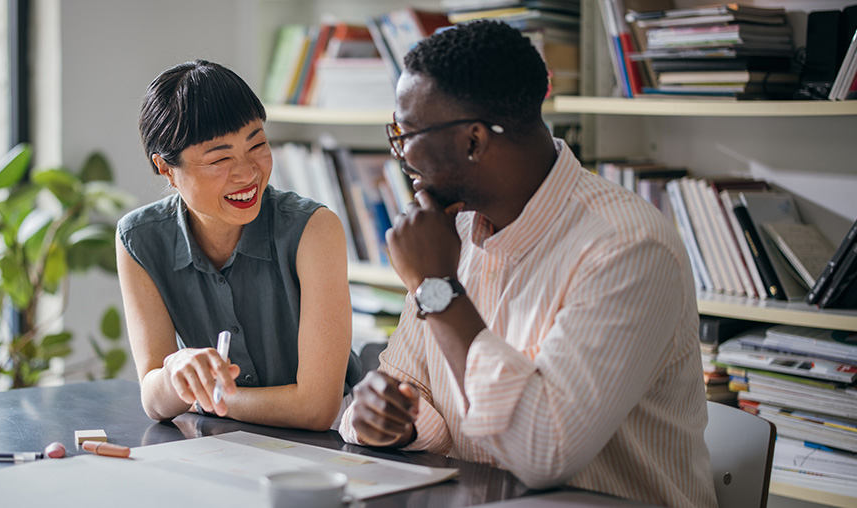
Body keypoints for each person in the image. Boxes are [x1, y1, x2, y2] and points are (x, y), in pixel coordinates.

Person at [340, 21, 718, 508]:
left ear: (473, 142)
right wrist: (389, 420)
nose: (402, 156)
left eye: (407, 134)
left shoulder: (627, 248)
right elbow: (411, 391)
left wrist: (437, 287)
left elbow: (543, 451)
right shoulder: (452, 232)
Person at [117, 60, 359, 431]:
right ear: (166, 169)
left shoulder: (314, 229)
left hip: (333, 443)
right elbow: (154, 398)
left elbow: (316, 408)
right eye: (220, 159)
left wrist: (202, 398)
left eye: (257, 145)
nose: (247, 173)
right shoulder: (139, 238)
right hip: (223, 446)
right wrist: (174, 373)